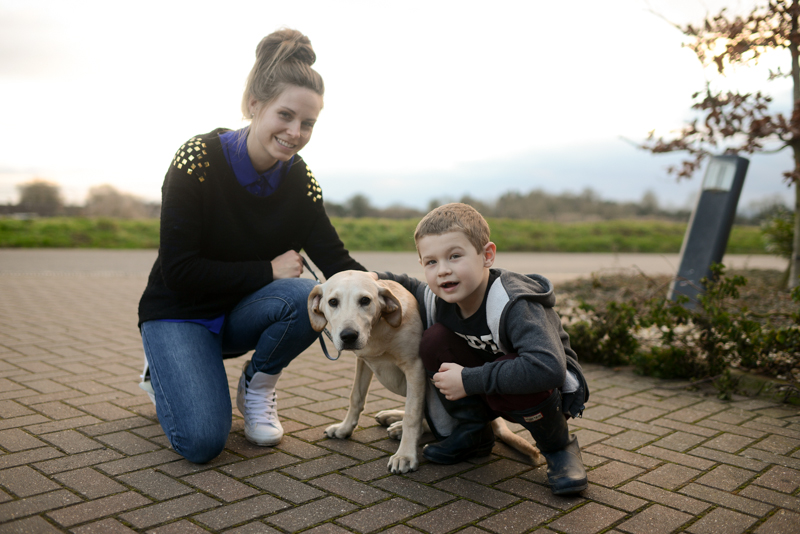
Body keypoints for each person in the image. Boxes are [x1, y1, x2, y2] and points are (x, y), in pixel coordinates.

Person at [137, 29, 365, 464]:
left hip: (242, 315)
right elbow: (178, 271)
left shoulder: (300, 180)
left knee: (306, 296)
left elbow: (337, 262)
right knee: (203, 443)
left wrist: (410, 294)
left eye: (308, 123)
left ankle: (257, 384)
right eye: (285, 115)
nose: (295, 132)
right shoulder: (197, 160)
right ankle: (161, 366)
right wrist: (268, 270)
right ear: (254, 105)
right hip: (180, 312)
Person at [374, 203, 589, 495]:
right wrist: (366, 278)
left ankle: (559, 448)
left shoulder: (515, 303)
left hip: (539, 393)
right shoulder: (443, 297)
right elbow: (408, 284)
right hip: (488, 388)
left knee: (524, 366)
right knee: (434, 339)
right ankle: (474, 434)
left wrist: (467, 380)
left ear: (487, 255)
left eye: (455, 256)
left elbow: (546, 368)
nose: (443, 270)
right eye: (431, 262)